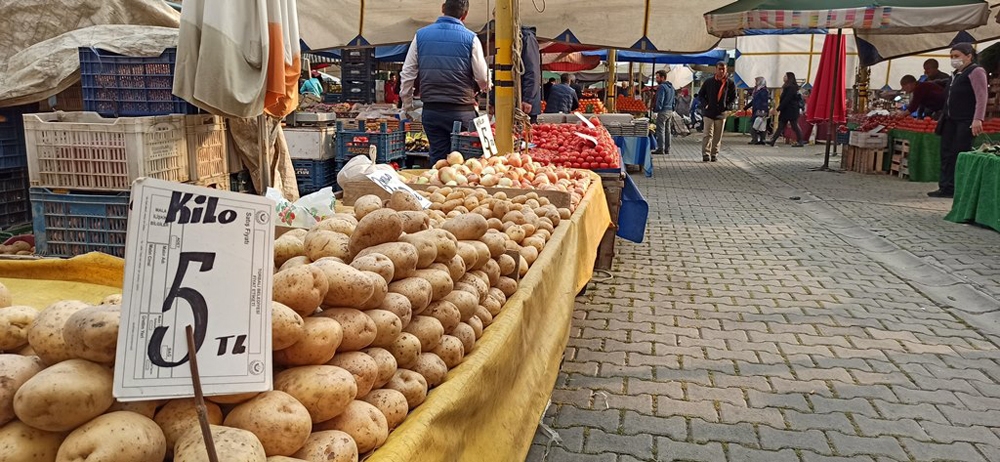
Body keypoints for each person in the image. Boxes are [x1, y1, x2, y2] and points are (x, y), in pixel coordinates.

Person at [400, 0, 491, 164]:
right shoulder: (471, 38)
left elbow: (408, 73)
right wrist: (483, 89)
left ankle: (436, 186)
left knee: (438, 159)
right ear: (465, 14)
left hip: (432, 111)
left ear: (443, 9)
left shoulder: (420, 36)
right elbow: (483, 77)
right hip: (462, 111)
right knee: (464, 161)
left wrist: (407, 105)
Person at [931, 43, 987, 198]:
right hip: (950, 119)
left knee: (960, 153)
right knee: (946, 153)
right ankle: (946, 187)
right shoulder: (956, 74)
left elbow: (981, 96)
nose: (953, 59)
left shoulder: (976, 71)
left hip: (965, 120)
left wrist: (978, 119)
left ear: (968, 56)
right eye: (951, 56)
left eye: (957, 56)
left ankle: (959, 188)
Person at [696, 61, 736, 162]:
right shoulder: (708, 82)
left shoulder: (729, 83)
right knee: (707, 134)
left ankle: (714, 154)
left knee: (718, 135)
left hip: (721, 114)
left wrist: (727, 107)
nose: (721, 71)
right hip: (709, 113)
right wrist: (705, 104)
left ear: (726, 70)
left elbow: (733, 97)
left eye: (724, 69)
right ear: (716, 69)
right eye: (720, 69)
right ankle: (706, 153)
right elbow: (700, 95)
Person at [768, 72, 805, 148]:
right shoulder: (787, 87)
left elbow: (786, 99)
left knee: (794, 125)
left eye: (785, 76)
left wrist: (778, 109)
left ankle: (800, 141)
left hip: (791, 110)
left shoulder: (791, 87)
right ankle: (773, 140)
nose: (784, 77)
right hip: (786, 110)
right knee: (781, 125)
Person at [520, 26, 542, 123]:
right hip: (509, 103)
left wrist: (528, 99)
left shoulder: (527, 38)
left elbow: (532, 71)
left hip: (525, 105)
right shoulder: (502, 38)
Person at [652, 70, 676, 155]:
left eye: (657, 77)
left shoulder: (662, 87)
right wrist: (673, 109)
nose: (656, 79)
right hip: (670, 111)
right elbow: (673, 100)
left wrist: (656, 110)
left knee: (660, 130)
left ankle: (660, 148)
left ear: (663, 77)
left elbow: (660, 100)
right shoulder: (672, 87)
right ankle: (667, 149)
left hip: (663, 111)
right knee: (668, 131)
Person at [744, 76, 770, 145]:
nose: (755, 83)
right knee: (759, 125)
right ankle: (759, 139)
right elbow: (754, 101)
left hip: (760, 110)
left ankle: (758, 139)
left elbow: (764, 101)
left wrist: (763, 110)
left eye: (756, 81)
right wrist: (746, 107)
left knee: (757, 126)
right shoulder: (757, 90)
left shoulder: (764, 91)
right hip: (756, 110)